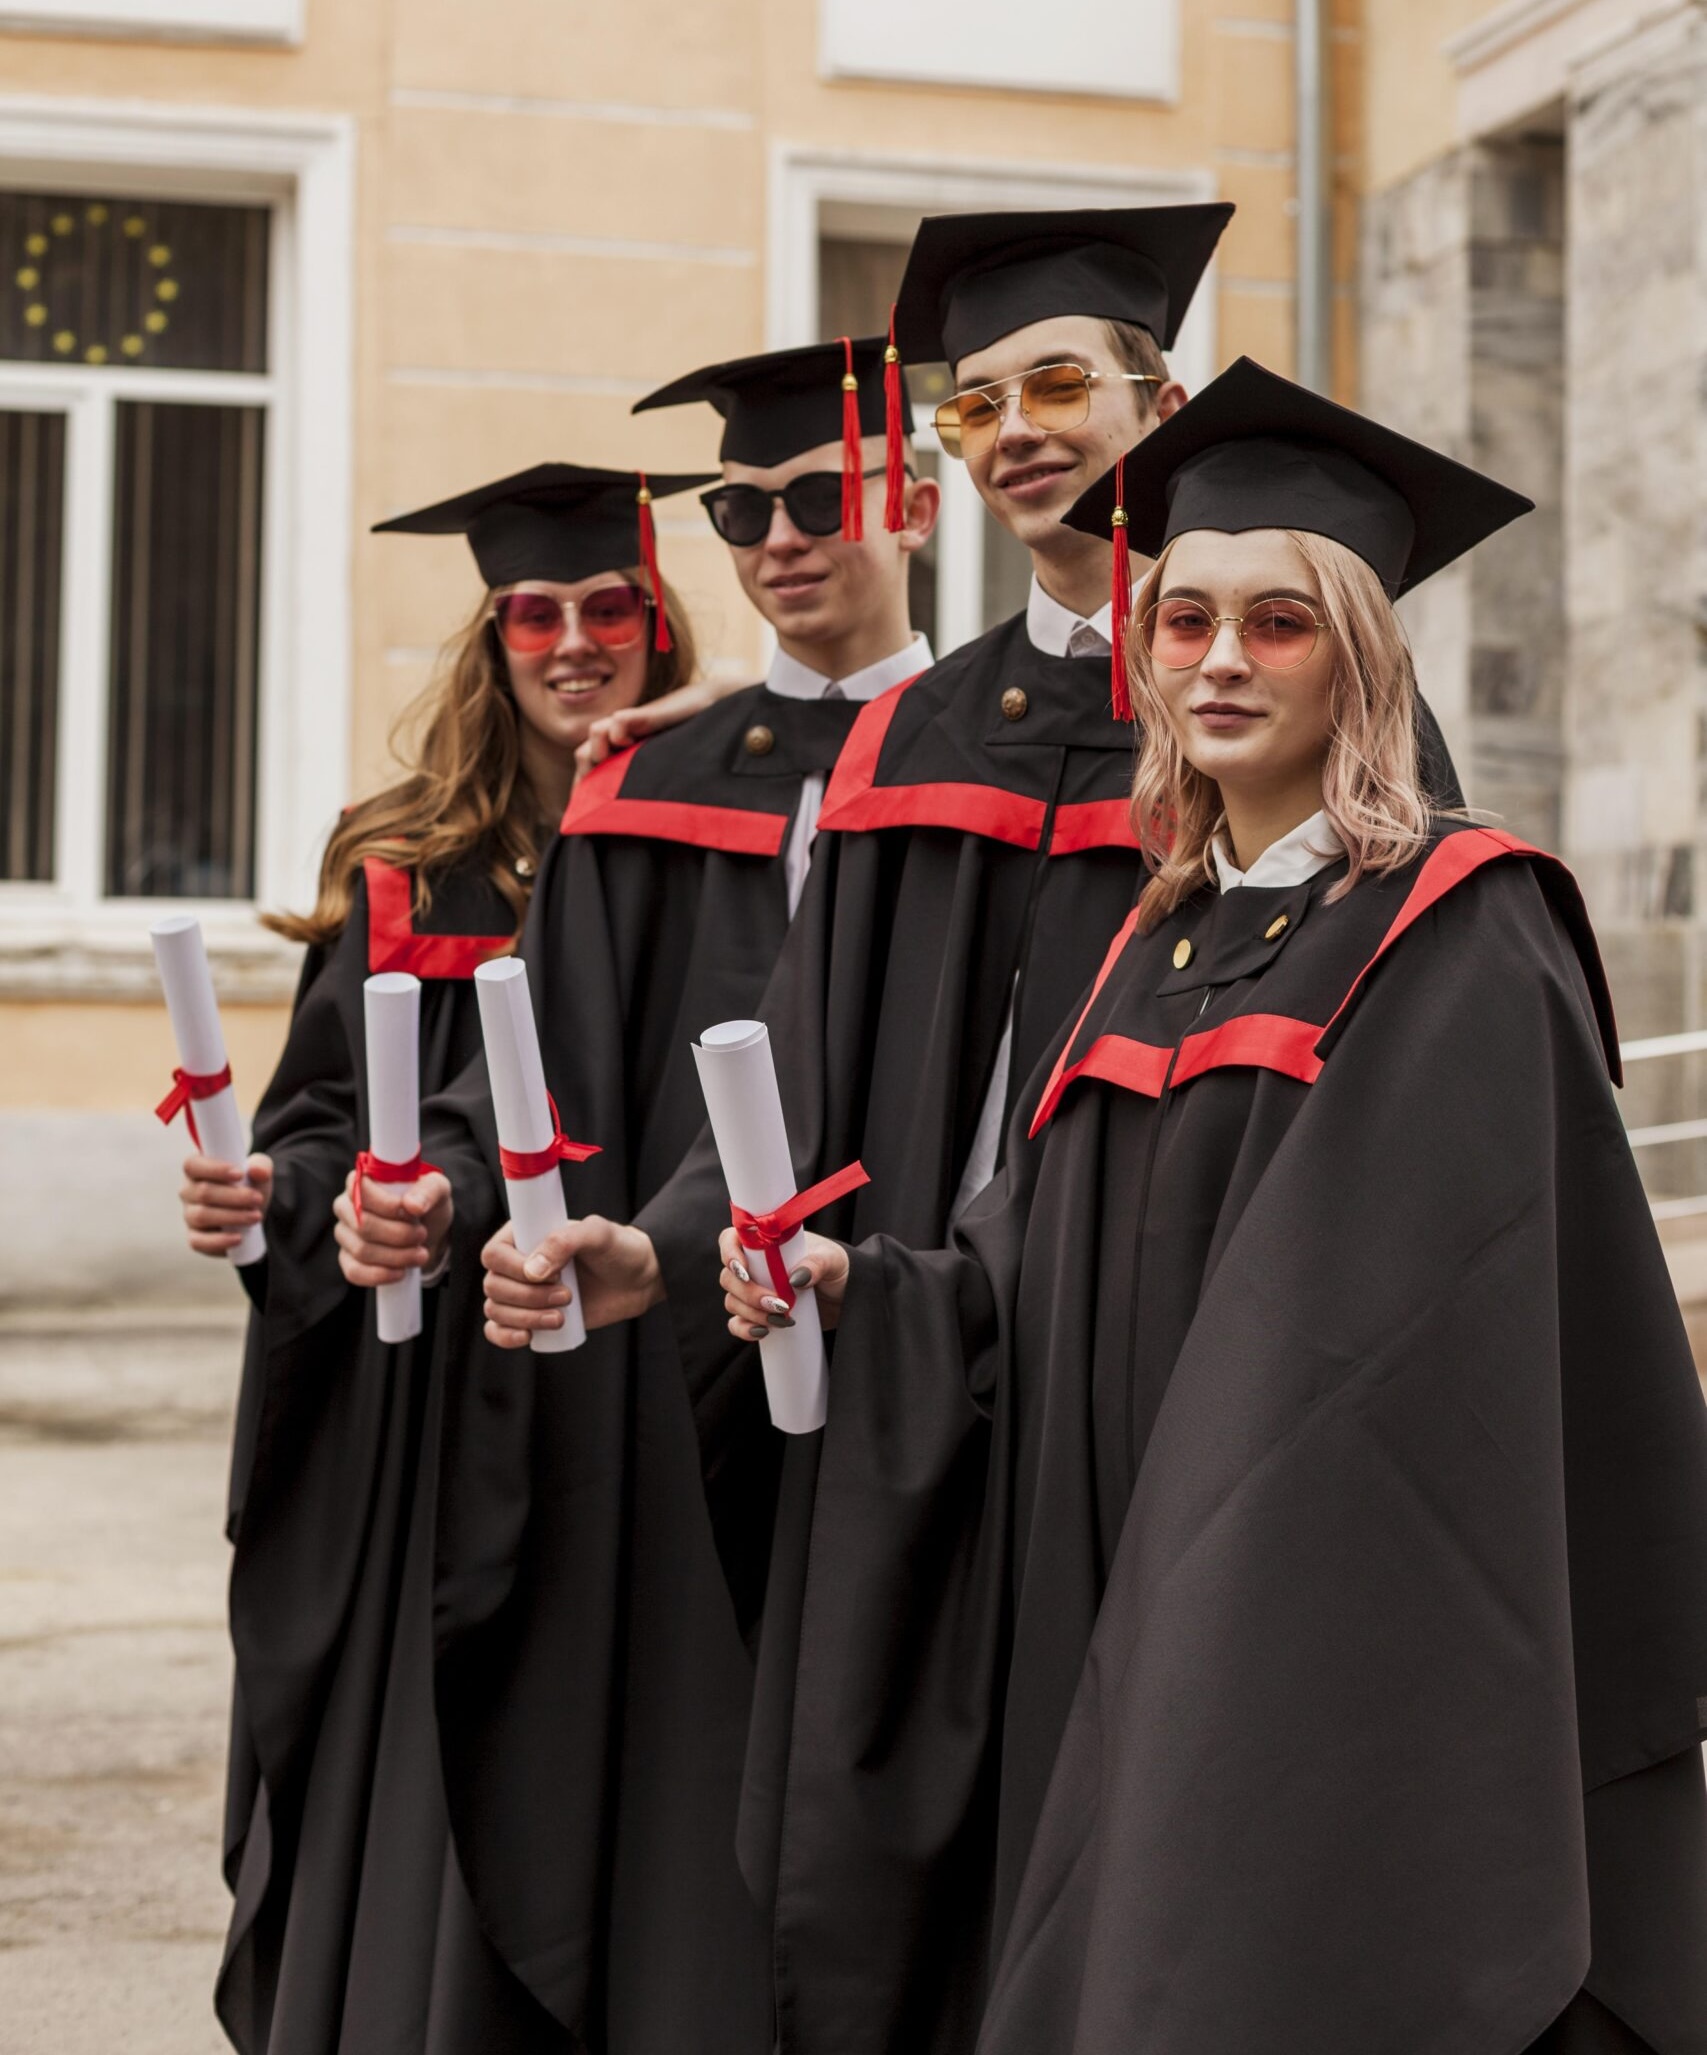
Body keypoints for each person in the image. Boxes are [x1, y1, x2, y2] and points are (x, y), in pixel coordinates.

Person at [715, 357, 1707, 2055]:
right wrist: (869, 1294)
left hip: (1311, 1623)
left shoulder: (1457, 926)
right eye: (1184, 623)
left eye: (1280, 622)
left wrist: (1211, 1583)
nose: (1223, 660)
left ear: (1363, 653)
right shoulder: (1155, 937)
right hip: (1120, 1587)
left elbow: (1403, 1336)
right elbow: (1040, 1258)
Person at [335, 339, 938, 2053]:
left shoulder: (1026, 755)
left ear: (908, 500)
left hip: (924, 1349)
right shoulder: (656, 775)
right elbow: (539, 1071)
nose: (781, 539)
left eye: (818, 500)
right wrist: (445, 1196)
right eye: (744, 510)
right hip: (671, 1375)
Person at [173, 463, 705, 2054]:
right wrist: (294, 1196)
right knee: (443, 1726)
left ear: (658, 625)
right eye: (533, 614)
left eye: (607, 608)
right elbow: (325, 1116)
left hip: (634, 1378)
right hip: (434, 1399)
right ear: (493, 641)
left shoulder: (713, 826)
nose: (571, 642)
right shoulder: (408, 864)